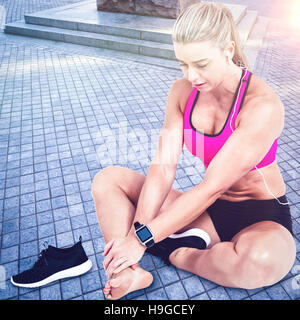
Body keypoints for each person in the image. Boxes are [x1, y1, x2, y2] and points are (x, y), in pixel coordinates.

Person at [91, 2, 296, 300]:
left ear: (227, 51)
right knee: (107, 180)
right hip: (208, 212)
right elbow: (163, 168)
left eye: (201, 64)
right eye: (183, 64)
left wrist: (143, 238)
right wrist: (139, 232)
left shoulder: (261, 104)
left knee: (262, 261)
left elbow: (212, 186)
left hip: (260, 215)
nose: (191, 76)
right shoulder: (182, 93)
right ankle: (130, 274)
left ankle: (180, 254)